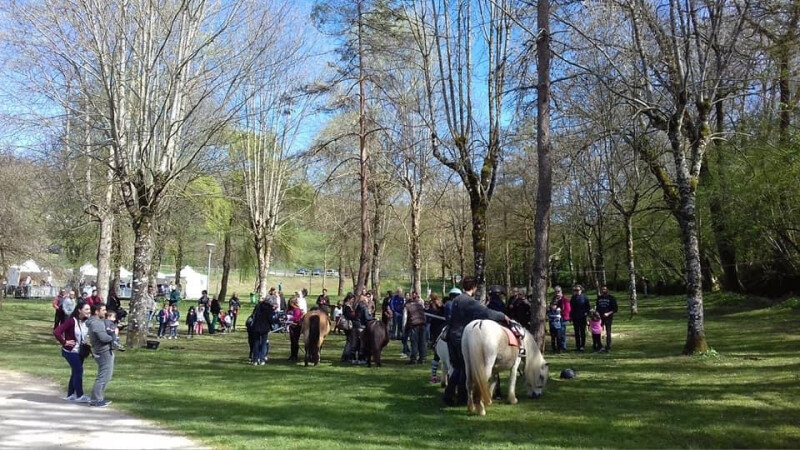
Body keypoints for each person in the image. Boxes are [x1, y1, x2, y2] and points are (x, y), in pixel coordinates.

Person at [444, 276, 510, 406]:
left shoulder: (457, 299)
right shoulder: (469, 301)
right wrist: (503, 316)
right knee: (465, 368)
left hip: (452, 335)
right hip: (461, 336)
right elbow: (486, 313)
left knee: (459, 367)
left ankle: (450, 395)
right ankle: (461, 397)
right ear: (473, 288)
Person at [53, 302, 92, 403]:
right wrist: (64, 342)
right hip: (70, 351)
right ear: (79, 310)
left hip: (81, 351)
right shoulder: (71, 321)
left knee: (75, 372)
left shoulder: (86, 322)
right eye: (86, 309)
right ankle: (80, 395)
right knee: (79, 371)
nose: (89, 311)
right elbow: (56, 332)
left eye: (89, 309)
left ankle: (70, 395)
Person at [87, 303, 114, 407]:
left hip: (104, 350)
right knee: (103, 376)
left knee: (107, 375)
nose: (105, 312)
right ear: (96, 312)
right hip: (103, 351)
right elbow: (103, 338)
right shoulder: (96, 323)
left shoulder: (97, 322)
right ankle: (96, 399)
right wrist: (112, 337)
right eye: (103, 310)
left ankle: (99, 398)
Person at [426, 293, 446, 383]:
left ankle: (439, 376)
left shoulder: (441, 306)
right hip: (437, 332)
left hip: (440, 330)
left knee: (438, 355)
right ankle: (433, 376)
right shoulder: (433, 305)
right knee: (437, 355)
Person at [403, 291, 427, 365]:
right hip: (422, 324)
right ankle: (422, 359)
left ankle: (413, 359)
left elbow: (405, 318)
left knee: (414, 342)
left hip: (414, 325)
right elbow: (424, 315)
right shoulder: (420, 305)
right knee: (422, 342)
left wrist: (404, 328)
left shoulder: (407, 306)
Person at [251, 298, 275, 365]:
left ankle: (255, 360)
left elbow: (254, 315)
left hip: (256, 326)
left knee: (256, 343)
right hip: (265, 327)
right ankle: (262, 359)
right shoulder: (269, 309)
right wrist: (272, 326)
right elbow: (270, 319)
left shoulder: (258, 306)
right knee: (264, 343)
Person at [595, 285, 618, 352]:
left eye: (604, 289)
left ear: (607, 290)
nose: (603, 290)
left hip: (608, 317)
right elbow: (597, 307)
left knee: (608, 331)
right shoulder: (599, 298)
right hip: (599, 317)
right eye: (602, 289)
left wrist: (608, 313)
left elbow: (615, 309)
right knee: (598, 331)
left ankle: (608, 346)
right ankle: (599, 345)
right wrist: (597, 313)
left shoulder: (611, 298)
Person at [570, 285, 591, 352]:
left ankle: (582, 346)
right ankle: (578, 346)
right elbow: (571, 308)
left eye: (578, 290)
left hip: (582, 317)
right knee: (576, 332)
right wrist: (571, 316)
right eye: (575, 290)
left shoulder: (584, 297)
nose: (576, 291)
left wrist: (587, 315)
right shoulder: (573, 297)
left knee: (582, 332)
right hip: (575, 317)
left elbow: (588, 307)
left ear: (581, 290)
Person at [355, 294, 374, 365]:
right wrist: (373, 318)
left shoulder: (358, 306)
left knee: (359, 343)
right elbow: (367, 318)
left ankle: (357, 358)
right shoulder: (364, 308)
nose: (368, 301)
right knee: (362, 344)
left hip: (357, 326)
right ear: (364, 301)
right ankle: (361, 359)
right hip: (362, 326)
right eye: (367, 300)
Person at [340, 294, 358, 362]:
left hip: (348, 325)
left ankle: (346, 356)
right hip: (348, 325)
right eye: (352, 299)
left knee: (349, 340)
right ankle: (346, 356)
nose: (353, 301)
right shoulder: (347, 307)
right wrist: (354, 315)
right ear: (348, 299)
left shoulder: (347, 306)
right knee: (349, 341)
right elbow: (349, 316)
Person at [286, 297, 304, 361]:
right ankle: (292, 355)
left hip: (296, 327)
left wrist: (290, 318)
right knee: (292, 342)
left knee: (295, 341)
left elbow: (297, 318)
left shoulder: (297, 310)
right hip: (291, 326)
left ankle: (295, 356)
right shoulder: (290, 309)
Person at [554, 286, 571, 352]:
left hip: (562, 318)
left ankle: (563, 346)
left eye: (558, 291)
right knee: (557, 333)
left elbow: (568, 309)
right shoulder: (554, 299)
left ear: (561, 291)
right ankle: (558, 346)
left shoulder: (565, 299)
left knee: (562, 333)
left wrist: (561, 313)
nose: (557, 293)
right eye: (556, 291)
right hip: (555, 318)